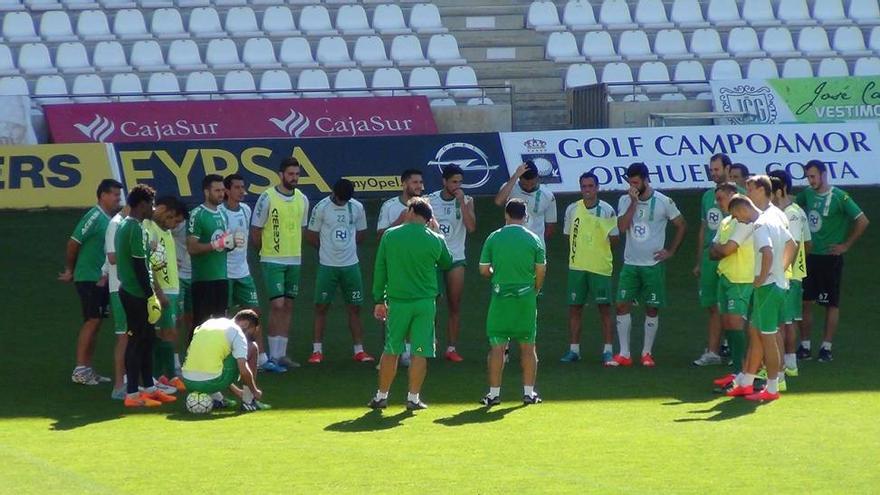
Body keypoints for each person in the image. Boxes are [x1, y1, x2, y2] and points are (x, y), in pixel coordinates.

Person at [368, 198, 453, 410]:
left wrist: (379, 299)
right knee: (420, 351)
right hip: (425, 303)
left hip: (398, 302)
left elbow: (380, 269)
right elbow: (447, 262)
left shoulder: (390, 236)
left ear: (412, 211)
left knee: (391, 349)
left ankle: (381, 396)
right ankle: (413, 398)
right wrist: (439, 234)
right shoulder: (435, 239)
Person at [724, 182, 797, 402]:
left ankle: (772, 388)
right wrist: (781, 271)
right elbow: (792, 244)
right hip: (776, 285)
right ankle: (747, 382)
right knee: (757, 331)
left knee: (768, 337)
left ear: (741, 209)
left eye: (736, 216)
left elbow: (766, 252)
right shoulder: (773, 218)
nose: (738, 220)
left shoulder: (759, 226)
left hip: (768, 288)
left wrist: (762, 278)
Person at [613, 163, 687, 367]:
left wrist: (670, 251)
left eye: (636, 182)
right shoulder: (624, 200)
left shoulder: (664, 201)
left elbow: (681, 224)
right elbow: (621, 227)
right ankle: (624, 353)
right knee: (621, 305)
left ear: (646, 180)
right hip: (630, 264)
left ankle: (646, 352)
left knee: (652, 308)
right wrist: (633, 203)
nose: (633, 186)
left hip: (652, 266)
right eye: (630, 182)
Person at [796, 160, 869, 362]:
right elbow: (792, 204)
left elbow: (862, 220)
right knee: (805, 301)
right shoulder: (807, 194)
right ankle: (805, 345)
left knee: (831, 303)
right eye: (808, 177)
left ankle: (826, 347)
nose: (810, 181)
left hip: (830, 259)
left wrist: (845, 245)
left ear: (823, 174)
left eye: (813, 176)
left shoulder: (840, 197)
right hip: (810, 256)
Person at [478, 199, 547, 406]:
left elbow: (483, 269)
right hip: (525, 298)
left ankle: (493, 394)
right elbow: (541, 270)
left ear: (506, 215)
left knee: (497, 347)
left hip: (500, 298)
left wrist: (496, 275)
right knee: (528, 346)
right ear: (525, 216)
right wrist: (535, 289)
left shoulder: (494, 237)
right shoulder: (534, 239)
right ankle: (528, 393)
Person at [116, 184, 177, 408]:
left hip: (136, 291)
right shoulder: (135, 228)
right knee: (136, 341)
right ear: (142, 205)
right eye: (151, 204)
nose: (153, 208)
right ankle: (132, 393)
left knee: (147, 339)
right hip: (135, 293)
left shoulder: (128, 226)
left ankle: (149, 388)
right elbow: (140, 265)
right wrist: (150, 295)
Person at [59, 178, 122, 386]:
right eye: (114, 194)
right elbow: (73, 243)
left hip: (100, 279)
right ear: (102, 195)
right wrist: (71, 269)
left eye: (118, 195)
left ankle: (87, 368)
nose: (117, 198)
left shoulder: (108, 219)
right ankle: (80, 368)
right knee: (92, 320)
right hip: (88, 277)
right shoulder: (94, 216)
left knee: (96, 322)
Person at [306, 179, 374, 364]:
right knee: (321, 307)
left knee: (355, 307)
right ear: (334, 194)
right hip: (327, 266)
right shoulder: (321, 207)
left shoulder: (357, 207)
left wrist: (346, 248)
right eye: (340, 199)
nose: (343, 203)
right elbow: (311, 236)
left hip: (351, 265)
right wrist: (327, 250)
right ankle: (317, 350)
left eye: (346, 200)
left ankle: (359, 350)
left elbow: (361, 233)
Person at [251, 158, 309, 370]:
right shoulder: (267, 197)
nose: (294, 178)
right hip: (272, 259)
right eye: (290, 174)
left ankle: (280, 354)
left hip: (294, 259)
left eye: (297, 174)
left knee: (289, 305)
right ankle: (272, 358)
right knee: (277, 305)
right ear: (281, 174)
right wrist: (264, 252)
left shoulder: (302, 199)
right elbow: (256, 230)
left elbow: (302, 228)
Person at [220, 174, 278, 373]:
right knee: (224, 317)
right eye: (237, 187)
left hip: (243, 271)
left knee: (254, 313)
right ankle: (225, 359)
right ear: (227, 190)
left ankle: (261, 359)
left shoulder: (246, 210)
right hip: (224, 272)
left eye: (242, 187)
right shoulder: (219, 212)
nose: (241, 191)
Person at [560, 172, 619, 365]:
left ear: (597, 187)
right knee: (575, 308)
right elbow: (568, 236)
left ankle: (608, 350)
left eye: (590, 186)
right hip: (577, 267)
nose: (587, 190)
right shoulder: (572, 210)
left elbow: (616, 239)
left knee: (604, 309)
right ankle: (574, 350)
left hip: (600, 268)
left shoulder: (607, 210)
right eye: (584, 186)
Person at [708, 183, 755, 391]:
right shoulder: (726, 222)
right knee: (728, 323)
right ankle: (738, 372)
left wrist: (721, 250)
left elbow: (726, 249)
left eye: (720, 199)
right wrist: (721, 250)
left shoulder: (744, 222)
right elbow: (712, 250)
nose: (718, 203)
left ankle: (747, 373)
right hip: (725, 277)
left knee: (737, 325)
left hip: (741, 279)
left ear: (732, 197)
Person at [377, 168, 425, 366]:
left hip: (418, 267)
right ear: (404, 184)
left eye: (421, 182)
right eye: (415, 182)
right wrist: (402, 219)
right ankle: (393, 351)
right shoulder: (389, 206)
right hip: (395, 266)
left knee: (419, 308)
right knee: (394, 308)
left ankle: (414, 352)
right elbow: (380, 236)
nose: (419, 186)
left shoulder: (425, 205)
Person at [428, 165, 476, 362]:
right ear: (444, 182)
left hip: (456, 258)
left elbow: (471, 227)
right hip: (435, 258)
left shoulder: (467, 200)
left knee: (454, 304)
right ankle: (428, 343)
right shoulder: (430, 200)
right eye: (454, 182)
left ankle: (451, 347)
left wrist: (462, 204)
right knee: (431, 303)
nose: (457, 186)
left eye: (460, 182)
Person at [181, 309, 269, 412]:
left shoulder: (208, 323)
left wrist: (237, 391)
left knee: (215, 358)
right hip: (211, 382)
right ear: (245, 324)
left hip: (187, 381)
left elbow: (210, 361)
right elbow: (243, 369)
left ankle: (217, 399)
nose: (251, 335)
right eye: (253, 331)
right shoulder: (237, 332)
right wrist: (254, 391)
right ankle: (249, 401)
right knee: (253, 347)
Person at [144, 196, 189, 392]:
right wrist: (159, 292)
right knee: (163, 333)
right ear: (164, 211)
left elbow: (160, 259)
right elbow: (147, 264)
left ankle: (163, 377)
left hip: (173, 288)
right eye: (174, 219)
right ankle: (163, 377)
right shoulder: (149, 228)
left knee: (168, 332)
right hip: (163, 291)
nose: (174, 225)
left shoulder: (165, 231)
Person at [769, 170, 811, 378]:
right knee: (787, 319)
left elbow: (794, 245)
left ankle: (785, 366)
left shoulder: (792, 214)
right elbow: (808, 244)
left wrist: (784, 271)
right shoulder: (790, 211)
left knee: (784, 321)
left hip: (787, 274)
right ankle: (790, 364)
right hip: (788, 273)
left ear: (781, 189)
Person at [692, 153, 732, 366]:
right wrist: (699, 260)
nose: (714, 174)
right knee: (711, 305)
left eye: (717, 169)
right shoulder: (707, 196)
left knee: (727, 304)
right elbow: (703, 227)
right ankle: (719, 347)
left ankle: (716, 350)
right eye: (711, 170)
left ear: (727, 168)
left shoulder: (740, 195)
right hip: (710, 257)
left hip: (730, 256)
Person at [187, 174, 232, 343]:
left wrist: (231, 244)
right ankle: (193, 362)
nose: (221, 194)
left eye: (222, 190)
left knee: (221, 323)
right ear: (207, 192)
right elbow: (192, 247)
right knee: (201, 324)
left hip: (221, 277)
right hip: (203, 279)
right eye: (217, 190)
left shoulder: (222, 214)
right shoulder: (197, 214)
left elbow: (223, 245)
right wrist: (215, 244)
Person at [494, 160, 557, 244]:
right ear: (519, 178)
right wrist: (516, 175)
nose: (529, 188)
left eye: (532, 184)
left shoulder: (548, 196)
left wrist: (539, 243)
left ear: (537, 178)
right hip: (511, 242)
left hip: (534, 245)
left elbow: (550, 225)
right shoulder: (510, 188)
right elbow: (498, 201)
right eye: (525, 185)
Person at [106, 205, 130, 399]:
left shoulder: (128, 224)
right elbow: (112, 257)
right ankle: (119, 386)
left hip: (131, 287)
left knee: (135, 336)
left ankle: (132, 382)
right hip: (120, 288)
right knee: (124, 337)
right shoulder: (115, 224)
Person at [171, 221, 191, 376]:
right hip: (177, 278)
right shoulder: (163, 228)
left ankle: (192, 360)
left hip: (196, 276)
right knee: (176, 320)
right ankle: (175, 362)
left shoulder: (192, 222)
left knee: (193, 320)